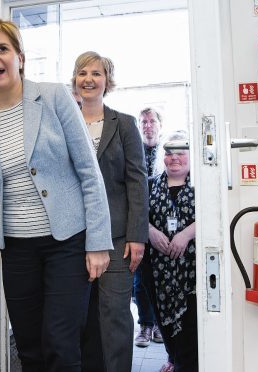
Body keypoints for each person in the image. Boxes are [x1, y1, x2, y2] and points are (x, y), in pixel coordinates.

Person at [0, 17, 113, 372]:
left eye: (2, 48)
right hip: (16, 250)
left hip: (66, 242)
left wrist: (97, 242)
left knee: (61, 346)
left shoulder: (53, 96)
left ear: (19, 57)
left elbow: (88, 172)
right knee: (30, 348)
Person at [73, 51, 149, 372]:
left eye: (96, 73)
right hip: (72, 238)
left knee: (115, 318)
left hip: (118, 239)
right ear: (75, 81)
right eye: (82, 73)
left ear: (107, 81)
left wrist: (137, 236)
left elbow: (137, 182)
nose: (89, 79)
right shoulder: (65, 123)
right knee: (80, 319)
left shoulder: (125, 124)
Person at [145, 130, 197, 372]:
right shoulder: (149, 185)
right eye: (169, 153)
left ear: (191, 155)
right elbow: (134, 214)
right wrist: (150, 232)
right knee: (162, 314)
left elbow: (213, 213)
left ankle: (185, 363)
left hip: (191, 269)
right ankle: (173, 357)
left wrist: (186, 234)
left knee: (189, 320)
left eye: (181, 153)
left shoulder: (201, 185)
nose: (174, 158)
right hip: (157, 268)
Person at [134, 107, 164, 347]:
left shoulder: (167, 154)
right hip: (139, 222)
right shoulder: (134, 151)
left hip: (164, 224)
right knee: (141, 278)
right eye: (143, 121)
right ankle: (145, 326)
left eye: (151, 121)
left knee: (161, 277)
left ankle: (159, 325)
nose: (147, 125)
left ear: (159, 125)